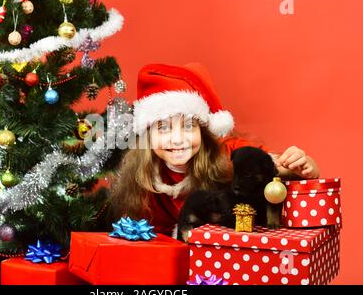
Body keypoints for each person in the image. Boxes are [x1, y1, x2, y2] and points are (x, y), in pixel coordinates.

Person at [108, 63, 320, 237]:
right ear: (147, 135)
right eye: (163, 128)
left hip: (222, 259)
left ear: (203, 130)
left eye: (188, 126)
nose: (177, 138)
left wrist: (304, 165)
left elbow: (276, 167)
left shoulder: (228, 155)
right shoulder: (141, 177)